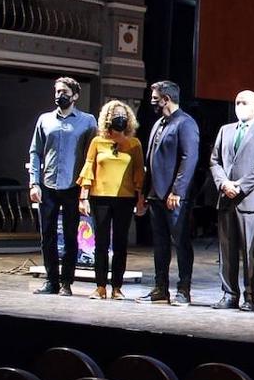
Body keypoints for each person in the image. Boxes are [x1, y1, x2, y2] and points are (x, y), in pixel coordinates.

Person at [209, 90, 254, 312]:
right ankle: (229, 294)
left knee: (249, 251)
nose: (240, 106)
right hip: (226, 196)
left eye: (245, 102)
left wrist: (239, 186)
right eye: (238, 102)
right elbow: (214, 161)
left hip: (249, 199)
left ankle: (250, 295)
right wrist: (223, 183)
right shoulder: (225, 130)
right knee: (226, 250)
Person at [28, 76, 98, 296]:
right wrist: (34, 183)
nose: (60, 95)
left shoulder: (87, 121)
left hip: (72, 186)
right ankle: (51, 281)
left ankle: (66, 282)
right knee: (46, 235)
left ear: (75, 96)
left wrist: (86, 190)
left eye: (64, 92)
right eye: (57, 91)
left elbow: (91, 157)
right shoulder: (45, 120)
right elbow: (35, 152)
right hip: (48, 184)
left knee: (69, 236)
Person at [138, 80, 201, 306]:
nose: (152, 102)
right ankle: (160, 288)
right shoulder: (158, 124)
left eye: (155, 98)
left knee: (181, 242)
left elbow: (189, 159)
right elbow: (150, 160)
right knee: (160, 244)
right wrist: (143, 193)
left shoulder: (185, 123)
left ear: (166, 99)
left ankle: (183, 289)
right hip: (156, 193)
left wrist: (177, 191)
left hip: (175, 197)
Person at [76, 101, 146, 300]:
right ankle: (100, 287)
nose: (119, 117)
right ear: (108, 118)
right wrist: (83, 196)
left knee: (121, 243)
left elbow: (139, 173)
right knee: (101, 243)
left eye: (123, 114)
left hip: (125, 198)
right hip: (100, 198)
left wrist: (140, 199)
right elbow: (89, 168)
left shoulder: (134, 144)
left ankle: (117, 287)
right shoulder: (97, 141)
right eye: (115, 114)